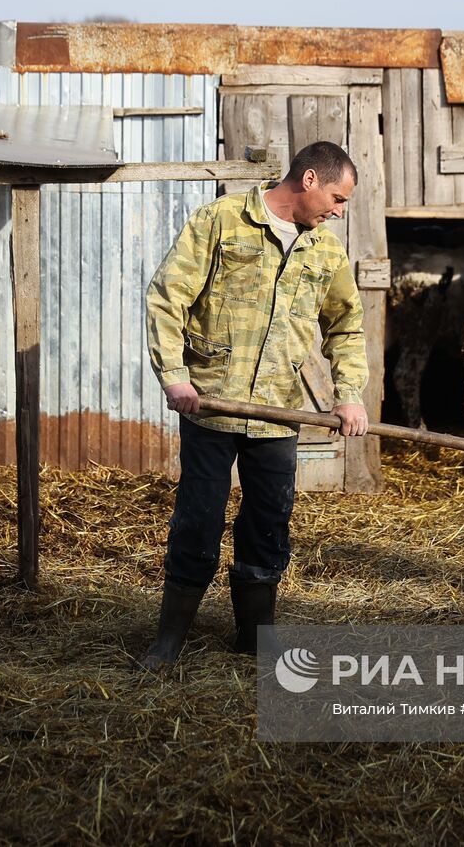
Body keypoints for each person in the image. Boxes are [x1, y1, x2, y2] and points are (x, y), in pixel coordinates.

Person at [140, 141, 370, 670]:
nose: (338, 210)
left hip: (280, 411)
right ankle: (168, 641)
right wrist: (174, 376)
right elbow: (167, 296)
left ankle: (253, 642)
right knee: (198, 519)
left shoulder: (326, 251)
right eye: (337, 197)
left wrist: (349, 393)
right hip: (213, 406)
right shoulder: (222, 220)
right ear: (309, 179)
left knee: (269, 521)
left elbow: (346, 325)